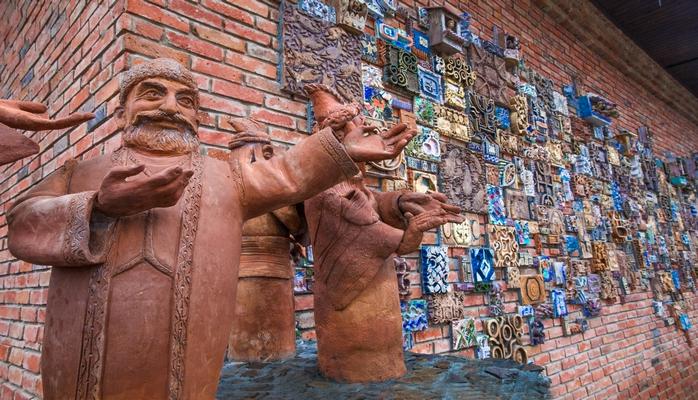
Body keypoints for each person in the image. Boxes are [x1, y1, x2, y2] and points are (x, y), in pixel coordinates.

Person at [6, 58, 415, 399]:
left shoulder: (227, 178)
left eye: (185, 100)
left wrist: (341, 150)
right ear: (120, 113)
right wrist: (98, 206)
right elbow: (22, 221)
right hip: (81, 361)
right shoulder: (78, 173)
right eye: (152, 94)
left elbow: (289, 173)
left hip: (189, 369)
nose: (170, 107)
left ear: (198, 118)